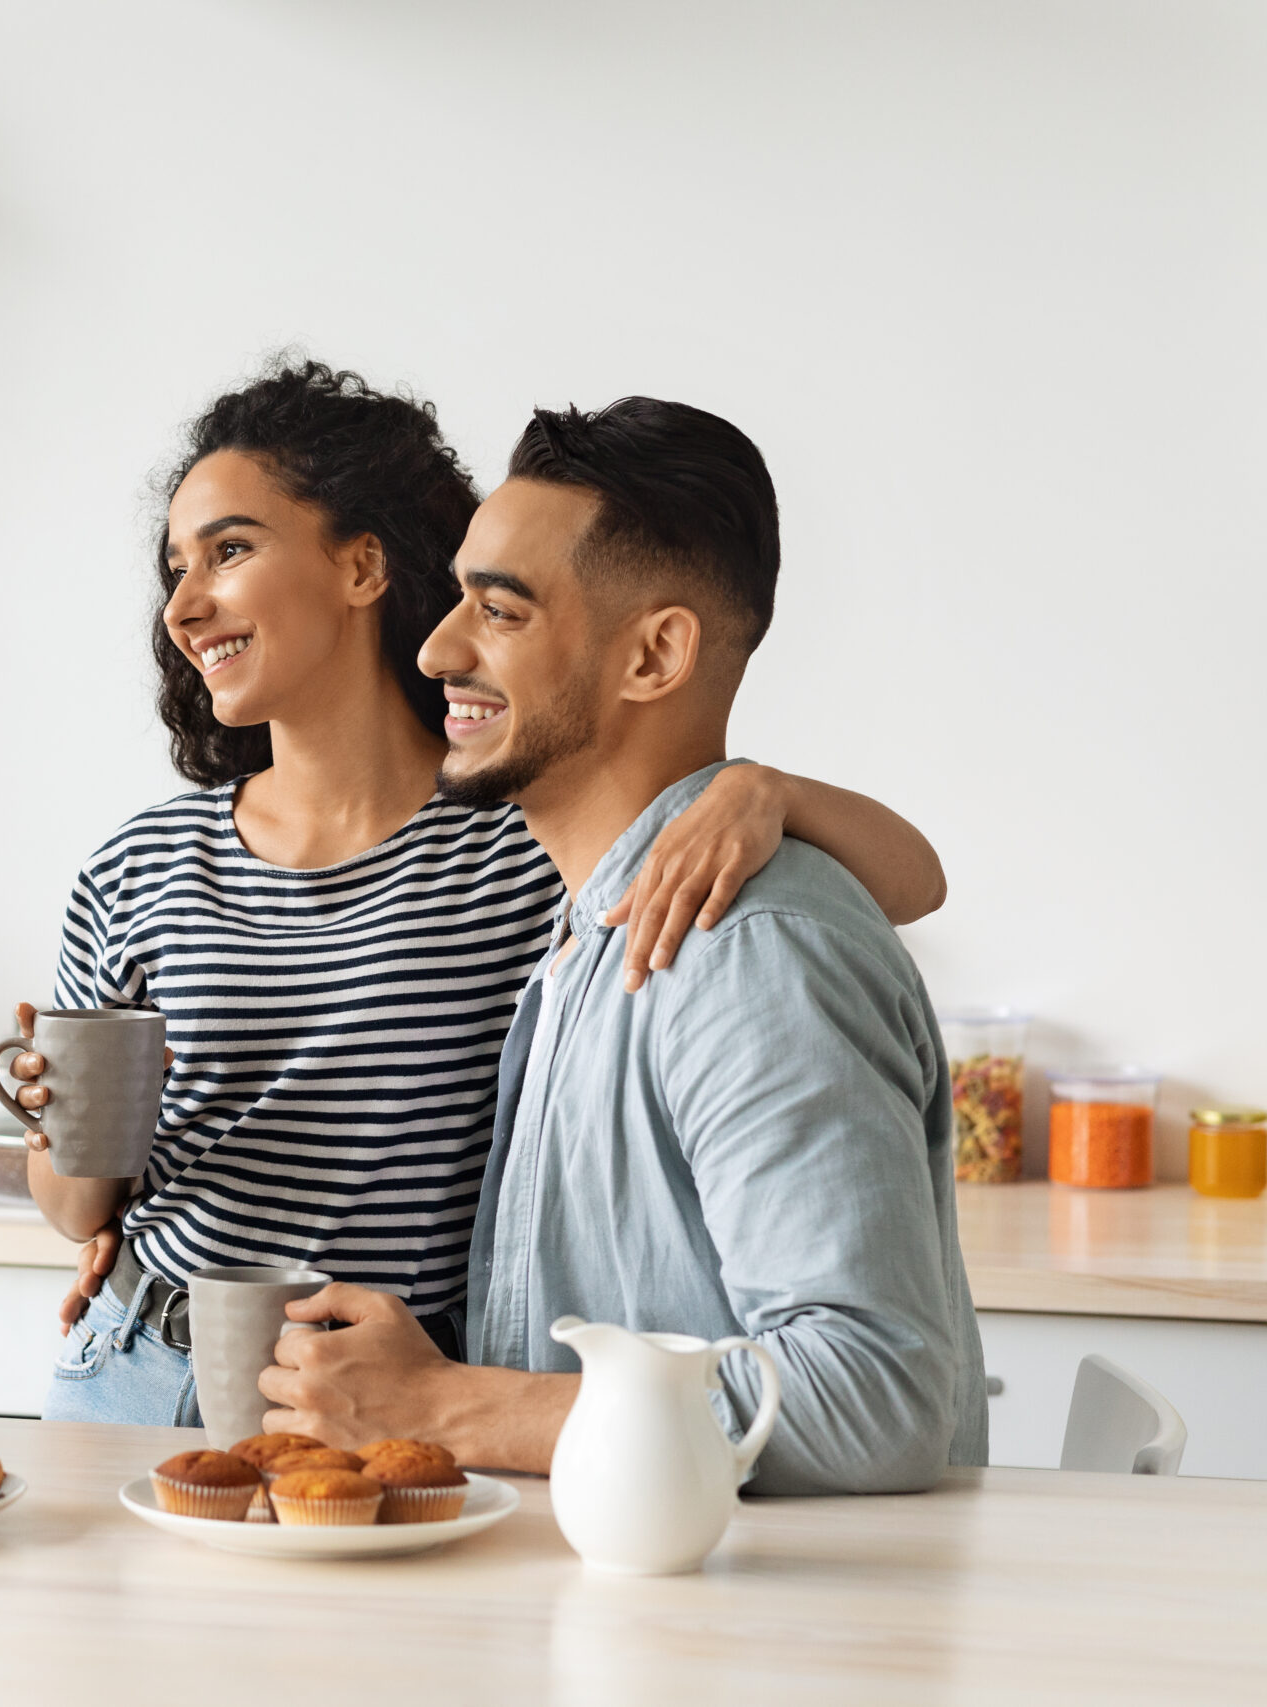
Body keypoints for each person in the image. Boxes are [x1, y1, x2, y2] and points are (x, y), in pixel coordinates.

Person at [14, 363, 949, 1429]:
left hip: (395, 1387)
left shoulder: (532, 845)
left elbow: (907, 885)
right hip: (143, 1354)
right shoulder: (142, 866)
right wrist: (69, 1141)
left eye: (228, 551)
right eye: (174, 566)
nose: (183, 604)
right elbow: (85, 1204)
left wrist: (759, 788)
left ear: (363, 564)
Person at [258, 397, 986, 1494]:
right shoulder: (599, 925)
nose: (437, 646)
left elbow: (870, 1400)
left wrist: (444, 1404)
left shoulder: (745, 953)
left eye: (498, 613)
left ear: (653, 655)